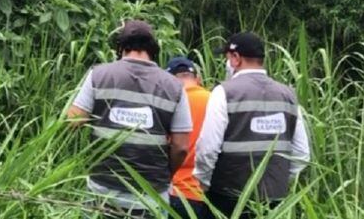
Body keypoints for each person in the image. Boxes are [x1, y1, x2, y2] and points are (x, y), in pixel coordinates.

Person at [66, 20, 192, 216]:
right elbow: (182, 147)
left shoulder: (98, 75)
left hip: (102, 190)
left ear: (121, 48)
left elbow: (72, 122)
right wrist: (165, 174)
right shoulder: (175, 87)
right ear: (153, 49)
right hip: (150, 197)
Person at [193, 32, 310, 218]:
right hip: (275, 202)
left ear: (236, 58)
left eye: (227, 58)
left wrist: (204, 182)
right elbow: (302, 154)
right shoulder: (288, 95)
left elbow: (207, 148)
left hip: (227, 198)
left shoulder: (223, 92)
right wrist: (279, 182)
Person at [164, 56, 212, 219]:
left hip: (177, 191)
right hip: (211, 194)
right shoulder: (216, 100)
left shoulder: (169, 102)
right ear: (198, 78)